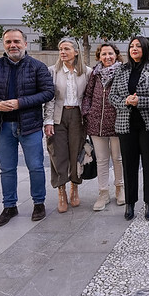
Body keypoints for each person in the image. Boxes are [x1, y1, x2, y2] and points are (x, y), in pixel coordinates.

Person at [0, 28, 54, 227]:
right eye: (9, 42)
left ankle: (39, 203)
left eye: (17, 41)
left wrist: (21, 102)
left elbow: (48, 92)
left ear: (25, 44)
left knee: (36, 167)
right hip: (3, 126)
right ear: (4, 44)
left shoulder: (37, 66)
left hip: (30, 126)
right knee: (7, 169)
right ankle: (9, 206)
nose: (13, 45)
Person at [110, 36, 149, 221]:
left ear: (145, 48)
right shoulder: (121, 70)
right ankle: (130, 202)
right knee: (129, 165)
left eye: (138, 46)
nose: (134, 48)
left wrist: (140, 101)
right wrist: (125, 101)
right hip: (126, 124)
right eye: (132, 46)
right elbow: (113, 96)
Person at [44, 37, 92, 213]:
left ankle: (75, 187)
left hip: (78, 116)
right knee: (58, 154)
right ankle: (61, 191)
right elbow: (49, 98)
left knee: (76, 152)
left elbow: (89, 97)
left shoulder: (87, 72)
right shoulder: (52, 72)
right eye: (60, 49)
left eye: (66, 49)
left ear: (76, 51)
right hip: (58, 115)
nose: (62, 52)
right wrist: (48, 121)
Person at [82, 42, 125, 212]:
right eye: (104, 54)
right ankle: (103, 193)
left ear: (116, 55)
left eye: (110, 54)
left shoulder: (122, 72)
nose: (107, 57)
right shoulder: (95, 73)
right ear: (99, 56)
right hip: (95, 124)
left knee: (118, 158)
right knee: (101, 160)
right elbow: (88, 94)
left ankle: (120, 189)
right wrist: (87, 112)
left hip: (116, 123)